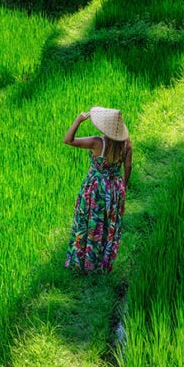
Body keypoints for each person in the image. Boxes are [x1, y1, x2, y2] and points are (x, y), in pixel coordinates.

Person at [62, 107, 132, 274]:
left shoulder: (97, 142)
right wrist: (124, 186)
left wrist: (78, 120)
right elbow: (127, 166)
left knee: (90, 223)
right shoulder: (127, 144)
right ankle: (103, 263)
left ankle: (85, 262)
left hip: (95, 190)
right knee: (108, 226)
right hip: (114, 189)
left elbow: (68, 140)